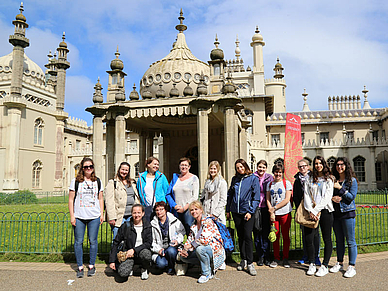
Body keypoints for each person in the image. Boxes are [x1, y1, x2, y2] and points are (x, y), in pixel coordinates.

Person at [68, 157, 104, 278]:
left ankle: (92, 265)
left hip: (94, 215)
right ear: (82, 168)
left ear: (93, 168)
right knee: (79, 242)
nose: (88, 169)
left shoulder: (97, 181)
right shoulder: (76, 181)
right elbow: (71, 199)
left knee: (93, 241)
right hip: (79, 216)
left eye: (90, 166)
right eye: (86, 167)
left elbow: (100, 198)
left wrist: (101, 214)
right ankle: (79, 267)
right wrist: (72, 216)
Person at [226, 158, 260, 276]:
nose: (240, 169)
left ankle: (250, 262)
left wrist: (250, 211)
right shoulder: (234, 179)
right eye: (237, 168)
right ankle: (243, 259)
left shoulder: (253, 179)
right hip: (236, 212)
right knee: (240, 236)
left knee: (247, 237)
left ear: (245, 166)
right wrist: (228, 210)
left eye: (241, 167)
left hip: (247, 212)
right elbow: (230, 195)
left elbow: (256, 198)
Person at [179, 201, 225, 284]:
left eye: (196, 209)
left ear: (201, 210)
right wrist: (185, 250)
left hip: (214, 250)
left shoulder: (208, 221)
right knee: (183, 257)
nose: (194, 212)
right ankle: (209, 266)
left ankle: (206, 273)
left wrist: (191, 246)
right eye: (192, 210)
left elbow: (204, 240)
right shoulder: (194, 225)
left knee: (200, 249)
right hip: (201, 248)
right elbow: (190, 239)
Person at [304, 156, 334, 277]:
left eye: (320, 163)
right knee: (309, 239)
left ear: (324, 164)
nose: (318, 165)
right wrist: (311, 210)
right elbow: (306, 194)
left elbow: (327, 197)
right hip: (311, 212)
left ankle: (325, 265)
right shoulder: (309, 178)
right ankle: (312, 263)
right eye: (316, 163)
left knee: (327, 238)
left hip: (325, 211)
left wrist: (316, 210)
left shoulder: (329, 179)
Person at [330, 157, 358, 278]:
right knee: (339, 240)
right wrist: (333, 198)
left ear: (346, 166)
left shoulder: (352, 181)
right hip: (336, 214)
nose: (339, 167)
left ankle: (351, 266)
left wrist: (341, 189)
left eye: (342, 165)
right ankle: (339, 263)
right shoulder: (333, 180)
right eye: (337, 165)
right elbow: (329, 194)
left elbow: (351, 197)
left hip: (347, 213)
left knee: (350, 241)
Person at [109, 204, 152, 280]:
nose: (137, 215)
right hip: (129, 255)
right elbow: (116, 242)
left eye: (139, 213)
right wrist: (112, 261)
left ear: (143, 213)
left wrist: (134, 250)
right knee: (122, 273)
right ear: (131, 214)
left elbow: (148, 243)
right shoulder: (126, 226)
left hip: (141, 252)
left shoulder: (147, 226)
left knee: (147, 254)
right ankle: (130, 267)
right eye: (134, 213)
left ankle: (144, 269)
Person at [293, 159, 321, 266]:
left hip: (314, 209)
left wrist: (315, 209)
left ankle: (315, 256)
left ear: (308, 166)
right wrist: (300, 208)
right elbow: (295, 195)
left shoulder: (314, 177)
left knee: (315, 234)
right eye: (300, 167)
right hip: (303, 209)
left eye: (304, 166)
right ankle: (306, 255)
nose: (302, 168)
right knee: (305, 234)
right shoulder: (297, 180)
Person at [105, 162, 140, 240]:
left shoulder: (132, 183)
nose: (124, 172)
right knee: (117, 238)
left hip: (132, 215)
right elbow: (109, 201)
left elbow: (136, 198)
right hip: (119, 216)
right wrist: (111, 217)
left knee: (130, 239)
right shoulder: (112, 183)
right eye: (123, 169)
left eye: (126, 170)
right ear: (119, 170)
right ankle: (115, 252)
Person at [266, 164, 293, 268]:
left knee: (285, 236)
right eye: (276, 172)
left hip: (284, 213)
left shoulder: (287, 183)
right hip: (274, 215)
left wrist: (274, 208)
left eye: (280, 172)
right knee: (275, 236)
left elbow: (286, 200)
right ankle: (276, 258)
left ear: (282, 173)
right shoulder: (269, 184)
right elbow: (268, 199)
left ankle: (285, 258)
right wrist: (271, 211)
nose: (278, 174)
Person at [166, 157, 199, 236]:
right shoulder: (175, 178)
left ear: (189, 167)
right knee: (176, 232)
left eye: (186, 165)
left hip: (188, 209)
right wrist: (174, 206)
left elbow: (195, 196)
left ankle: (190, 247)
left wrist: (184, 208)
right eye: (182, 165)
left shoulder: (194, 178)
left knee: (189, 230)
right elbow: (168, 194)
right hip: (176, 209)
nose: (184, 167)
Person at [151, 201, 185, 275]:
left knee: (171, 251)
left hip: (171, 247)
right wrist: (158, 250)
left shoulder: (174, 220)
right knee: (161, 264)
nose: (159, 212)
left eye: (161, 209)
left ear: (165, 210)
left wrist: (177, 241)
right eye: (157, 210)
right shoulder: (152, 224)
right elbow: (151, 242)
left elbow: (182, 232)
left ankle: (171, 267)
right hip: (160, 249)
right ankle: (169, 262)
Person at [252, 160, 273, 266]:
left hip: (266, 207)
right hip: (256, 207)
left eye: (263, 167)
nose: (261, 169)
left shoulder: (269, 177)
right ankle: (259, 256)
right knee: (257, 232)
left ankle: (267, 256)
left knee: (265, 232)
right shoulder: (252, 176)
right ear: (257, 167)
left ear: (266, 168)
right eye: (259, 167)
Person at [137, 157, 169, 222]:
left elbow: (167, 191)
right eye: (154, 164)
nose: (156, 166)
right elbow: (140, 192)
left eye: (157, 165)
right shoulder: (141, 177)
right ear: (148, 165)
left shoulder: (161, 176)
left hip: (160, 207)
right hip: (147, 207)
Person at [200, 161, 227, 225]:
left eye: (215, 169)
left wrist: (215, 214)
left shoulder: (222, 182)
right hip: (206, 213)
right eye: (211, 168)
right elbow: (203, 198)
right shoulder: (207, 182)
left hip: (217, 215)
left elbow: (223, 200)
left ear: (218, 170)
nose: (212, 170)